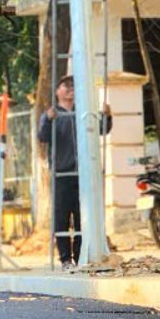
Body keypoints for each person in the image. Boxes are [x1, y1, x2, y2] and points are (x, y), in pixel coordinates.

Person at [37, 76, 111, 268]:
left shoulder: (84, 113)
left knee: (82, 218)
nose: (71, 89)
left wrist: (107, 116)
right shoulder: (52, 114)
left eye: (73, 86)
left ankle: (79, 257)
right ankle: (65, 259)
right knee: (61, 217)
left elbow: (102, 130)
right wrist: (48, 120)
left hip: (83, 174)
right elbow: (43, 137)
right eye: (66, 86)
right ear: (57, 91)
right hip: (61, 174)